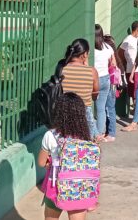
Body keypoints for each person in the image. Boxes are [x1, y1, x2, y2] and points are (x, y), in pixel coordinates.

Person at [37, 92, 94, 220]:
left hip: (56, 184)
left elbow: (41, 162)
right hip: (78, 186)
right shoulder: (85, 136)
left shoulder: (50, 135)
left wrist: (50, 163)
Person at [59, 38, 101, 141]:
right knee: (87, 146)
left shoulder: (61, 69)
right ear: (85, 54)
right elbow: (95, 95)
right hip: (84, 114)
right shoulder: (92, 72)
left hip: (64, 112)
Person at [93, 24, 117, 143]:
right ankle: (100, 133)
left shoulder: (91, 49)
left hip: (94, 79)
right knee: (101, 108)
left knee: (88, 107)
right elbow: (113, 63)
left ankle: (95, 133)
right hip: (106, 78)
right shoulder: (108, 47)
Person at [118, 22, 138, 112]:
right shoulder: (128, 39)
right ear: (137, 29)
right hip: (132, 69)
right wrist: (125, 63)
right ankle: (137, 113)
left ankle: (137, 111)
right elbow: (119, 53)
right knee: (134, 92)